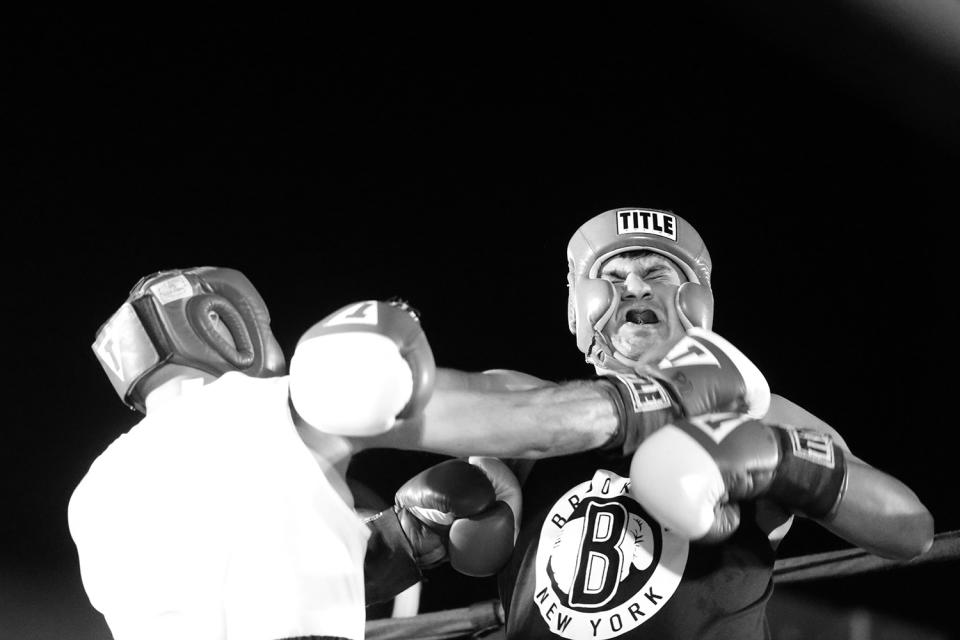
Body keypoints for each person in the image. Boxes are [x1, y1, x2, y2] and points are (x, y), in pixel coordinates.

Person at [71, 264, 763, 640]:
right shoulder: (277, 403)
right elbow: (530, 422)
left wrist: (405, 541)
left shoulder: (96, 496)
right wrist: (654, 398)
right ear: (225, 325)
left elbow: (253, 585)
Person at [483, 206, 934, 639]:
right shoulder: (532, 410)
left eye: (657, 273)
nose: (635, 287)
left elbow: (909, 529)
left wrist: (782, 460)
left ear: (695, 302)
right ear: (580, 304)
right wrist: (417, 528)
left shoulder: (756, 410)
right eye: (614, 277)